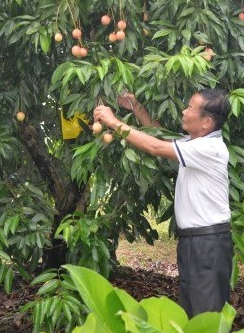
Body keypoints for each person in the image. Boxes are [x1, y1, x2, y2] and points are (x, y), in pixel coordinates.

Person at [93, 88, 232, 317]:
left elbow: (155, 147)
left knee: (206, 316)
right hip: (195, 242)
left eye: (189, 108)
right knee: (191, 310)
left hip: (207, 244)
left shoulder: (209, 149)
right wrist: (135, 107)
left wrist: (113, 122)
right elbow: (160, 136)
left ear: (206, 122)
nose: (184, 111)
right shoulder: (195, 143)